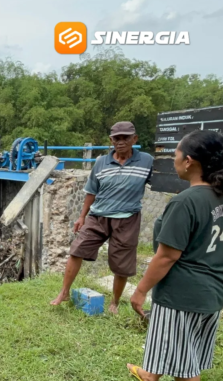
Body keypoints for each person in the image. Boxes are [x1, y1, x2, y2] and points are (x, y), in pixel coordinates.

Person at [126, 129, 223, 381]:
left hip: (182, 293)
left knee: (185, 359)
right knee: (177, 339)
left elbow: (167, 255)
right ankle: (150, 374)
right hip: (214, 289)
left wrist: (140, 290)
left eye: (175, 155)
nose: (174, 160)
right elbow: (218, 222)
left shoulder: (185, 201)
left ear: (189, 162)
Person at [50, 121, 154, 313]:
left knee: (121, 264)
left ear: (134, 139)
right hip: (98, 216)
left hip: (127, 218)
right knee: (77, 249)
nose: (121, 142)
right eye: (117, 138)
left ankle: (114, 303)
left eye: (126, 138)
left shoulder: (146, 161)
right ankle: (64, 292)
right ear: (111, 140)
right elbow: (91, 192)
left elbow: (159, 183)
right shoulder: (101, 163)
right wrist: (82, 217)